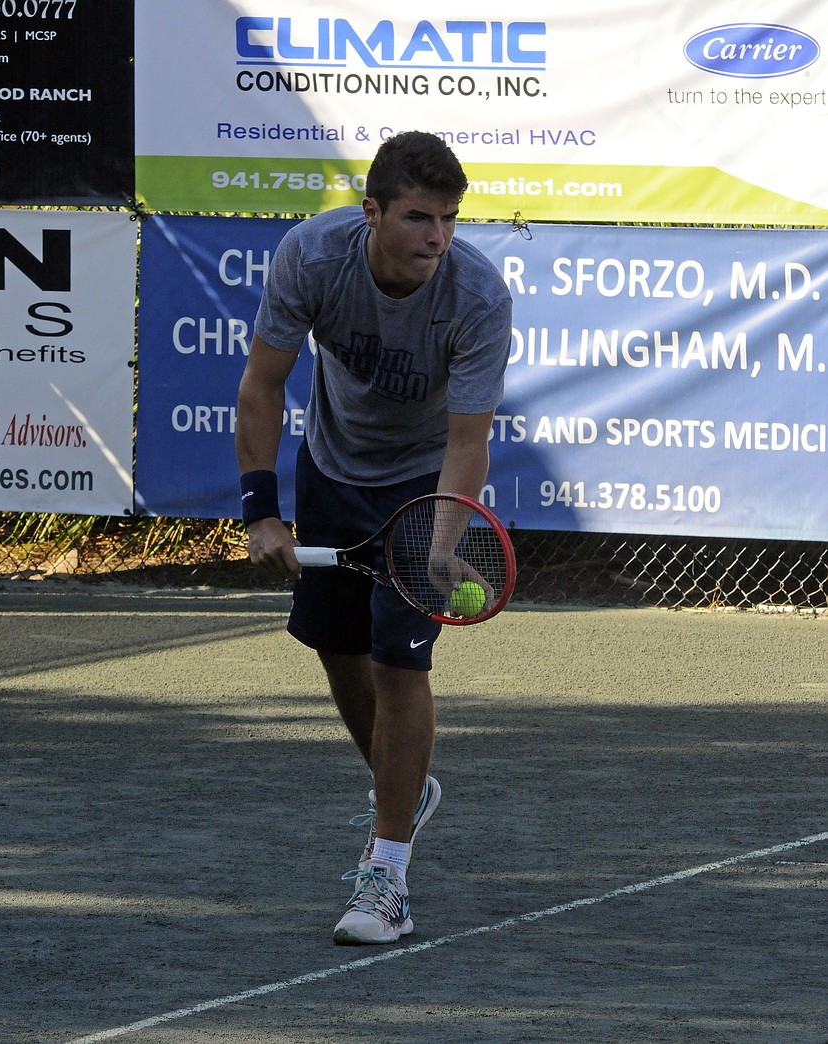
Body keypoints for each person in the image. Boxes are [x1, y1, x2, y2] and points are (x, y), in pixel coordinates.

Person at [235, 130, 512, 945]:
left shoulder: (478, 296)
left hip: (423, 482)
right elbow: (262, 386)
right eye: (421, 217)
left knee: (401, 662)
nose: (438, 237)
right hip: (332, 467)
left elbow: (468, 438)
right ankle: (406, 790)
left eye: (450, 220)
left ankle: (386, 875)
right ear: (372, 215)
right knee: (339, 650)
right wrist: (262, 511)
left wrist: (440, 534)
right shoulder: (311, 257)